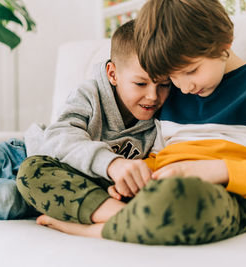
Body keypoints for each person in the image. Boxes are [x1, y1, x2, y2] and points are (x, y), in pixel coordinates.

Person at [24, 0, 246, 245]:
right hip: (156, 189)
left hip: (219, 197)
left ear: (226, 43)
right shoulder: (172, 94)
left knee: (178, 198)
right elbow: (158, 154)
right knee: (34, 169)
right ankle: (126, 215)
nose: (184, 87)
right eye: (171, 78)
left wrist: (219, 170)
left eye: (191, 71)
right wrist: (133, 174)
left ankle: (94, 227)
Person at [16, 19, 172, 232]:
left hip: (84, 182)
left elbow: (160, 162)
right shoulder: (90, 95)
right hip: (23, 150)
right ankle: (126, 217)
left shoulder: (165, 117)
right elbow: (60, 136)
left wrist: (127, 185)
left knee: (5, 198)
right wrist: (112, 164)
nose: (153, 96)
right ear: (112, 74)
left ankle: (123, 216)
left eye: (164, 84)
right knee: (19, 171)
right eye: (140, 83)